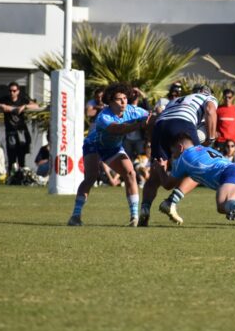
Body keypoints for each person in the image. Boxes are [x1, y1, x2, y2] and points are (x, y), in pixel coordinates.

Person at [67, 83, 152, 227]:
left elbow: (150, 116)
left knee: (130, 173)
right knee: (91, 177)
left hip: (112, 148)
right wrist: (139, 125)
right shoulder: (104, 116)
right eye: (119, 99)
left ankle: (134, 218)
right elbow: (117, 129)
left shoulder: (132, 110)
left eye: (125, 98)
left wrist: (153, 120)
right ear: (110, 102)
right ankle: (75, 216)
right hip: (94, 145)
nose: (124, 102)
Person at [138, 84, 218, 227]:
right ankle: (171, 201)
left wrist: (152, 139)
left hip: (161, 126)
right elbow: (210, 110)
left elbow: (155, 119)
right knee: (199, 168)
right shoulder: (208, 97)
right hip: (183, 123)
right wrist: (211, 139)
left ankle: (145, 208)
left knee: (155, 173)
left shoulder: (176, 100)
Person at [0, 82, 39, 173]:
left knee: (21, 157)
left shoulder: (22, 100)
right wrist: (2, 106)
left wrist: (24, 106)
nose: (12, 92)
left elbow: (36, 106)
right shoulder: (5, 99)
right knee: (11, 157)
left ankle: (21, 176)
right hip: (10, 132)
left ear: (18, 91)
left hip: (21, 132)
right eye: (10, 91)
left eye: (14, 91)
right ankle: (11, 176)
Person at [123, 87, 150, 160]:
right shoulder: (125, 107)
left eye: (135, 93)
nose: (134, 94)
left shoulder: (142, 108)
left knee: (141, 158)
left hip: (139, 139)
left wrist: (140, 93)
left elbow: (149, 112)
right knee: (127, 158)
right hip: (127, 139)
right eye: (132, 93)